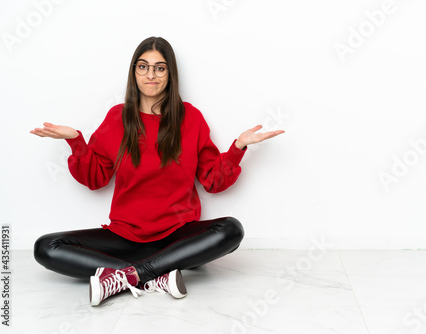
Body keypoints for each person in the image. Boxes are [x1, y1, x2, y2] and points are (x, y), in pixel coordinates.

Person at [30, 36, 284, 306]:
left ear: (169, 74)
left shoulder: (191, 118)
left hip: (177, 238)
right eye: (143, 67)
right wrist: (76, 141)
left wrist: (238, 147)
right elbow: (95, 179)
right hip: (125, 237)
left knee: (231, 229)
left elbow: (212, 180)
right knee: (46, 247)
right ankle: (157, 276)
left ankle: (129, 275)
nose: (150, 74)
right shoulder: (118, 118)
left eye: (159, 68)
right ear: (134, 72)